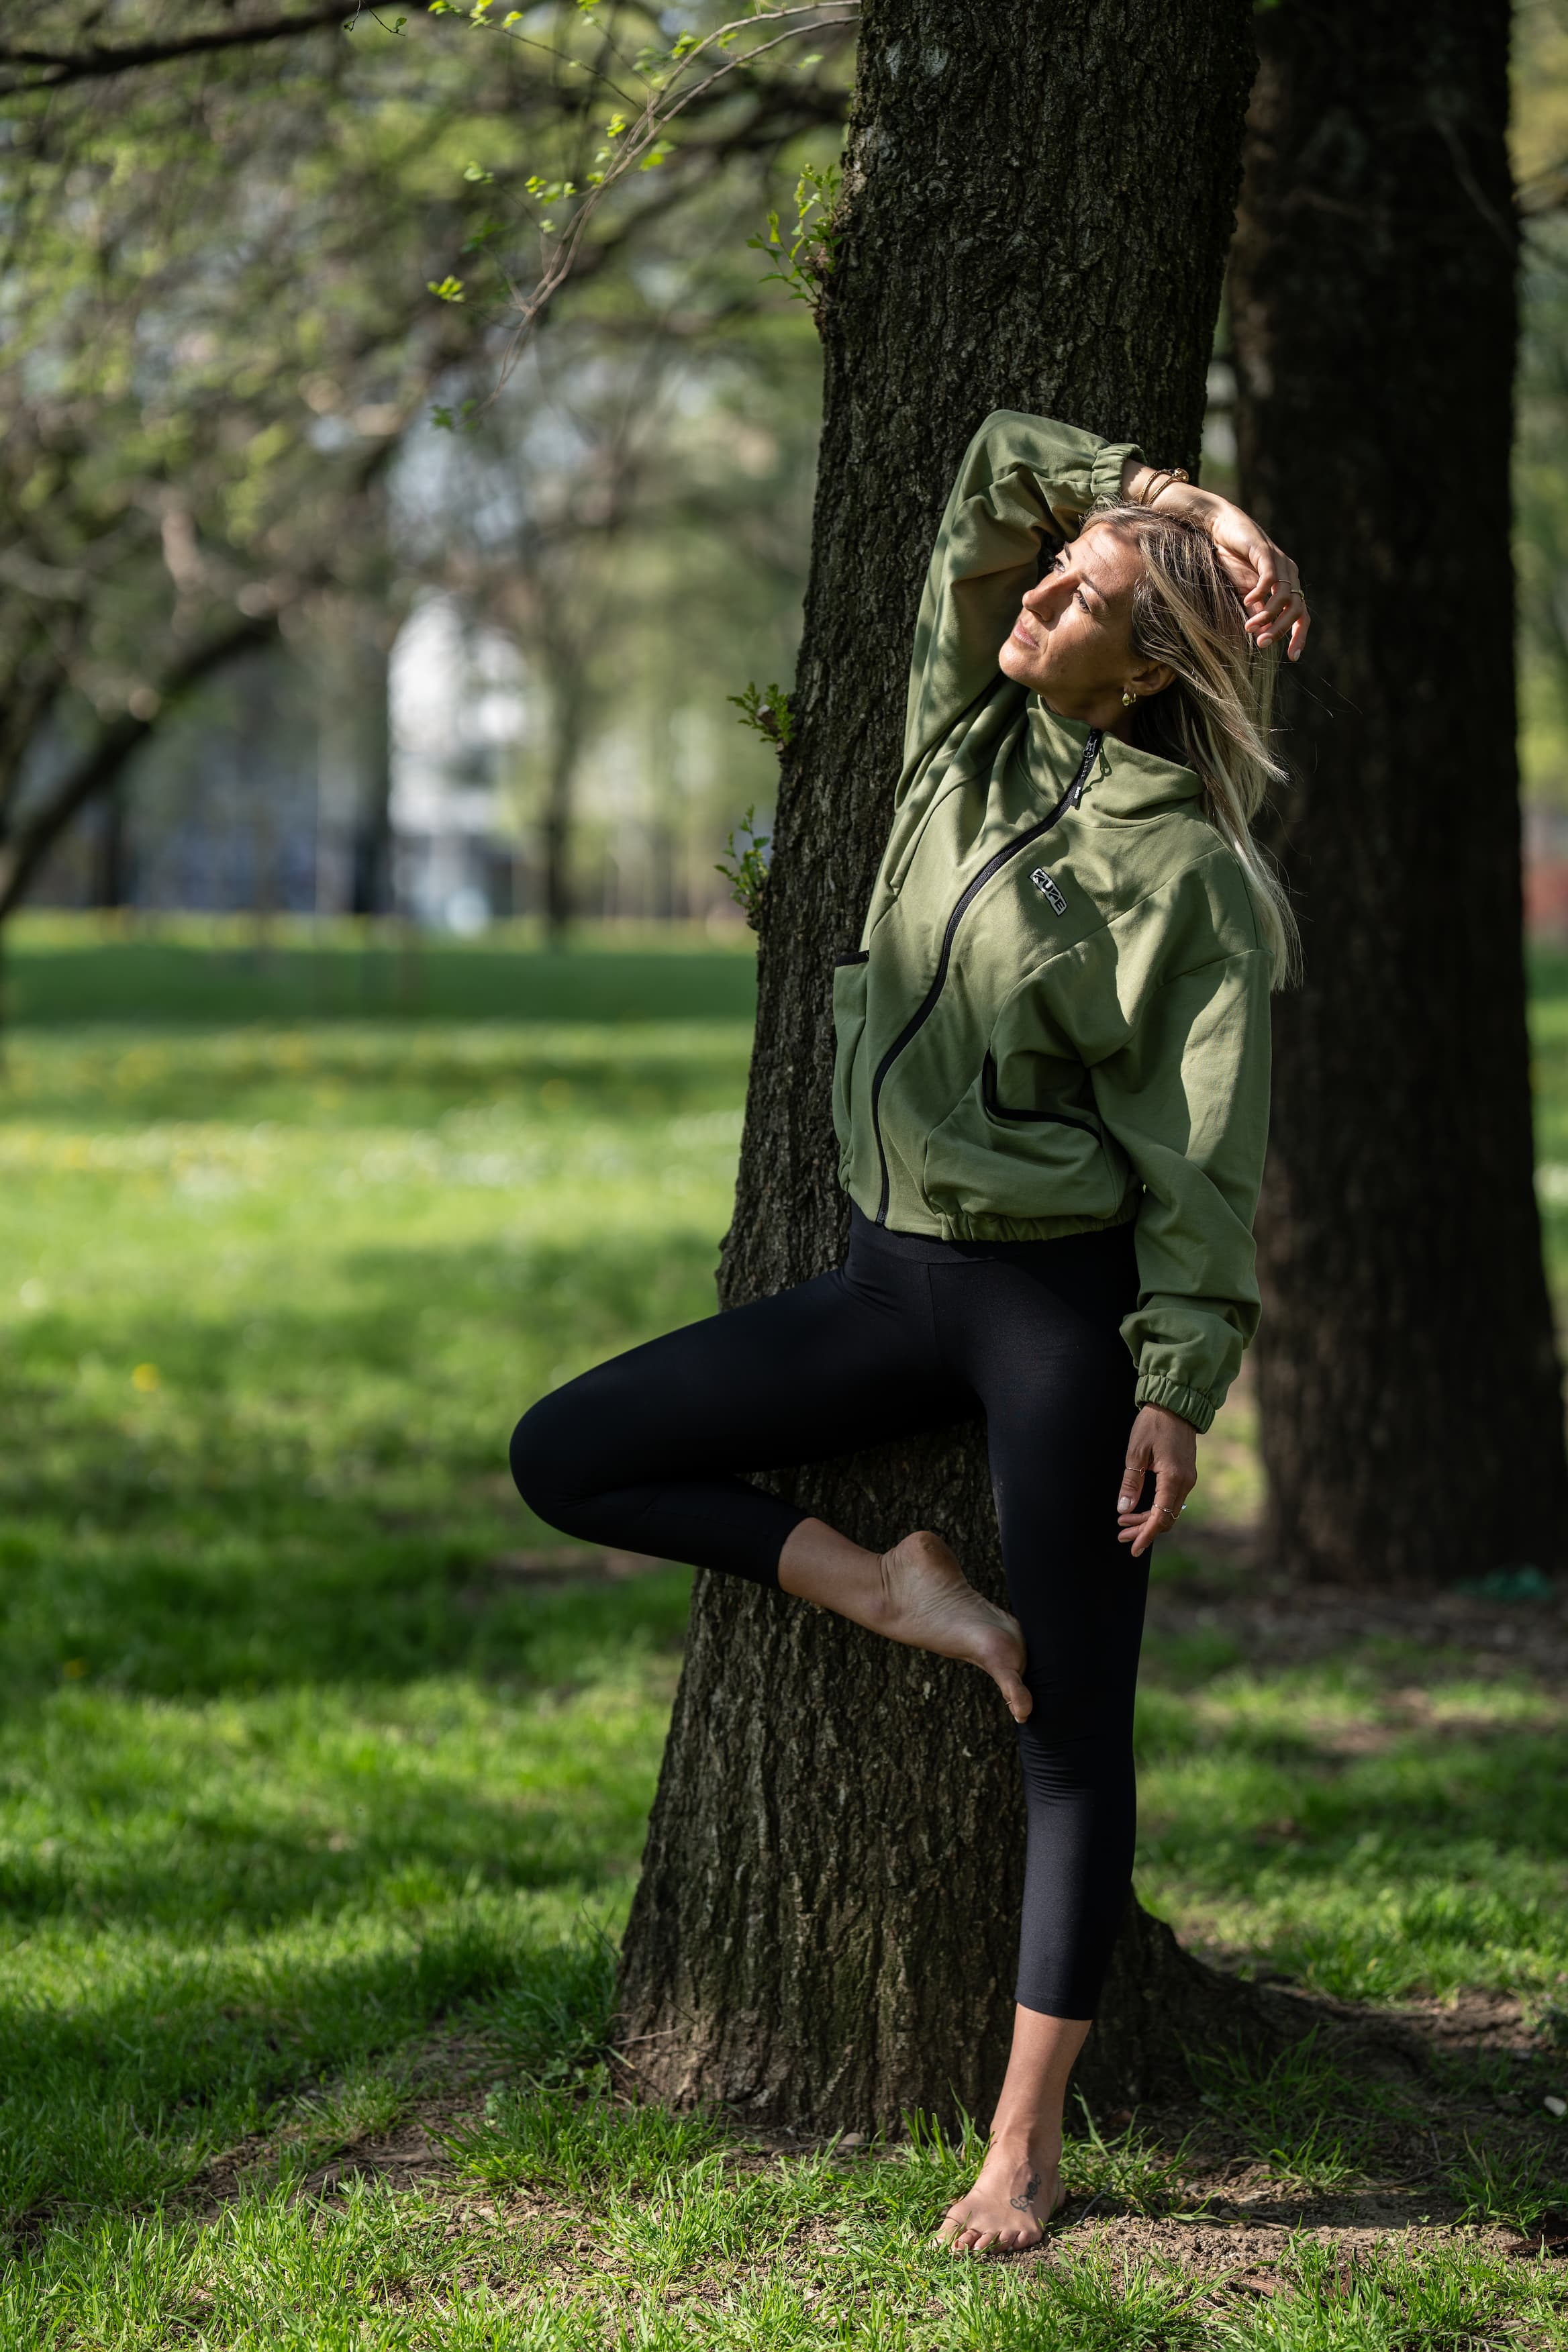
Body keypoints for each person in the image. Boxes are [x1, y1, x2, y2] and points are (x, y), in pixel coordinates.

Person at [511, 412, 1308, 2255]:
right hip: (883, 1274)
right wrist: (1184, 499)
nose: (1039, 592)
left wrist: (1176, 1383)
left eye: (1086, 596)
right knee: (570, 1451)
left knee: (1075, 1724)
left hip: (1056, 1311)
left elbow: (1203, 1147)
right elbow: (988, 473)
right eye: (1053, 576)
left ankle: (1024, 2144)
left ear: (1153, 665)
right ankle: (893, 1588)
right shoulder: (963, 724)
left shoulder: (1181, 870)